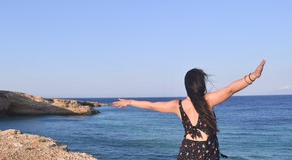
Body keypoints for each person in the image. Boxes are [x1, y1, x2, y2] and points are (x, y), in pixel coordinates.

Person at [112, 60, 266, 160]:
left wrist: (130, 102)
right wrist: (253, 76)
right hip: (207, 152)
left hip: (187, 151)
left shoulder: (178, 105)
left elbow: (152, 105)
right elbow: (230, 89)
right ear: (201, 84)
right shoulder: (208, 100)